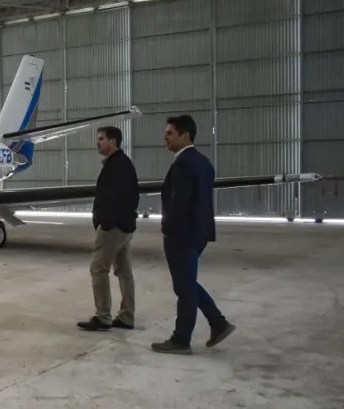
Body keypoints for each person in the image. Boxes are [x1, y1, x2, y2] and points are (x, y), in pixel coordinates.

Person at [152, 114, 236, 355]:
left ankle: (181, 340)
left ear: (185, 135)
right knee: (187, 283)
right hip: (198, 233)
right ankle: (217, 323)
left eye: (170, 133)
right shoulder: (203, 162)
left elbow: (179, 203)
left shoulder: (184, 164)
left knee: (185, 287)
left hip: (182, 234)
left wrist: (168, 228)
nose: (165, 138)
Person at [77, 125, 139, 332]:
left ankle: (103, 317)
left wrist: (105, 223)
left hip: (113, 228)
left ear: (113, 141)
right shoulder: (122, 163)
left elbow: (115, 199)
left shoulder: (116, 166)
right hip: (124, 226)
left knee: (98, 269)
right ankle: (127, 316)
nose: (98, 142)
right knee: (124, 271)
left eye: (101, 139)